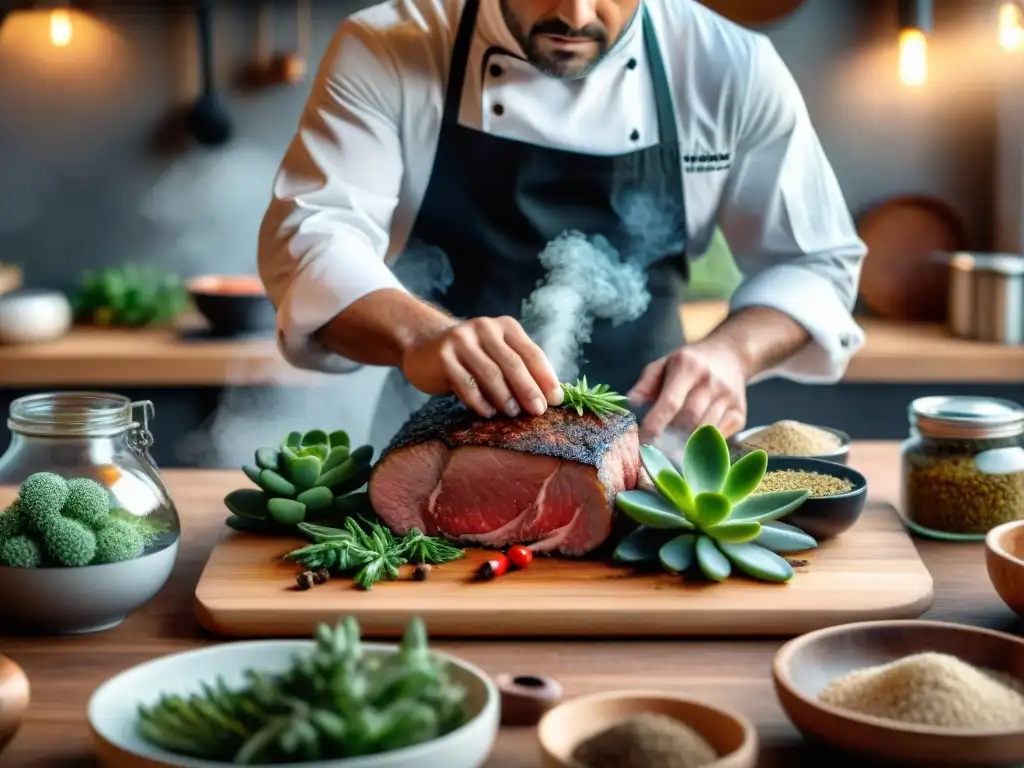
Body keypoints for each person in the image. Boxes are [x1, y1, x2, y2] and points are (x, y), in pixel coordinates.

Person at [257, 0, 867, 449]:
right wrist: (419, 337)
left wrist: (732, 353)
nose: (576, 14)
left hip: (656, 455)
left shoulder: (729, 67)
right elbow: (313, 236)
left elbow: (814, 260)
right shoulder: (390, 45)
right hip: (432, 451)